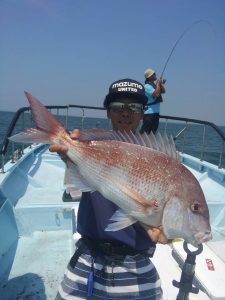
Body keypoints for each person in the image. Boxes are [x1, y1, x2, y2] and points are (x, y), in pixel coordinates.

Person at [50, 78, 166, 300]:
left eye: (134, 107)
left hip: (135, 261)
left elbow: (161, 219)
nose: (126, 113)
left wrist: (166, 228)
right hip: (88, 256)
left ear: (143, 113)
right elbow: (76, 181)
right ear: (108, 113)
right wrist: (69, 158)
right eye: (117, 107)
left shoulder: (157, 159)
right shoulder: (91, 145)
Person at [140, 68, 166, 134]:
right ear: (150, 76)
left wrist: (160, 84)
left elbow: (163, 91)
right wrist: (157, 83)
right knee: (145, 133)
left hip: (155, 113)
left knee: (152, 133)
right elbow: (156, 94)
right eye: (153, 74)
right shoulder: (147, 86)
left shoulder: (154, 86)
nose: (155, 74)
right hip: (149, 113)